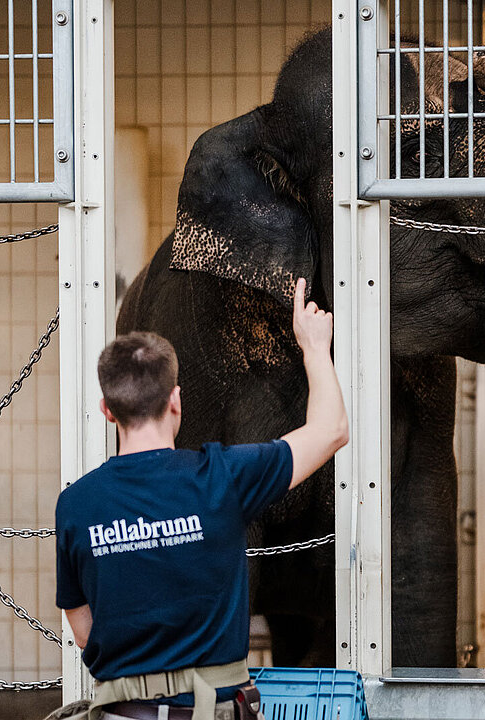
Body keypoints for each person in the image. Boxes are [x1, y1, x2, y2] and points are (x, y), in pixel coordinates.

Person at [54, 278, 348, 720]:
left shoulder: (76, 504)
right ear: (176, 400)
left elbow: (82, 630)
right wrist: (313, 347)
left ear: (108, 410)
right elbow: (331, 431)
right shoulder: (222, 476)